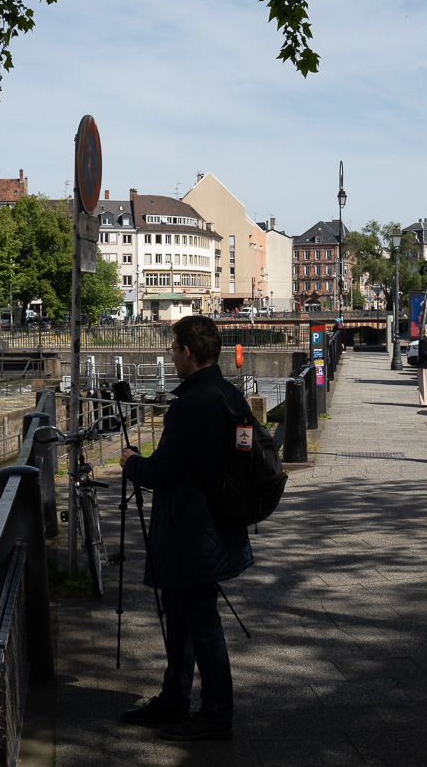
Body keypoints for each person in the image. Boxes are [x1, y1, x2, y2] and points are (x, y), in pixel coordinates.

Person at [119, 315, 253, 742]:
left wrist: (130, 463)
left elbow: (161, 472)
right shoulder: (231, 395)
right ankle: (175, 697)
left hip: (191, 530)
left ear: (187, 352)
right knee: (180, 614)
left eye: (173, 349)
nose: (171, 356)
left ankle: (216, 713)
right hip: (219, 523)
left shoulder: (192, 404)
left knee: (201, 621)